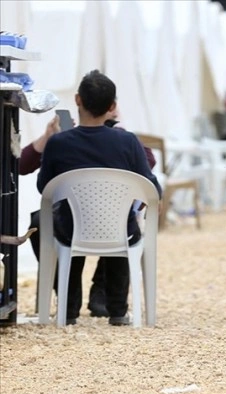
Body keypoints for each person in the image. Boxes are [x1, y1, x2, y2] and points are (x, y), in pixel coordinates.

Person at [36, 69, 162, 326]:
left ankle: (69, 311)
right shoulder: (128, 142)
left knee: (62, 222)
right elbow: (153, 190)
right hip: (119, 231)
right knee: (125, 223)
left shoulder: (58, 143)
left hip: (71, 230)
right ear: (113, 106)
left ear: (77, 100)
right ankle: (117, 310)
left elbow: (43, 187)